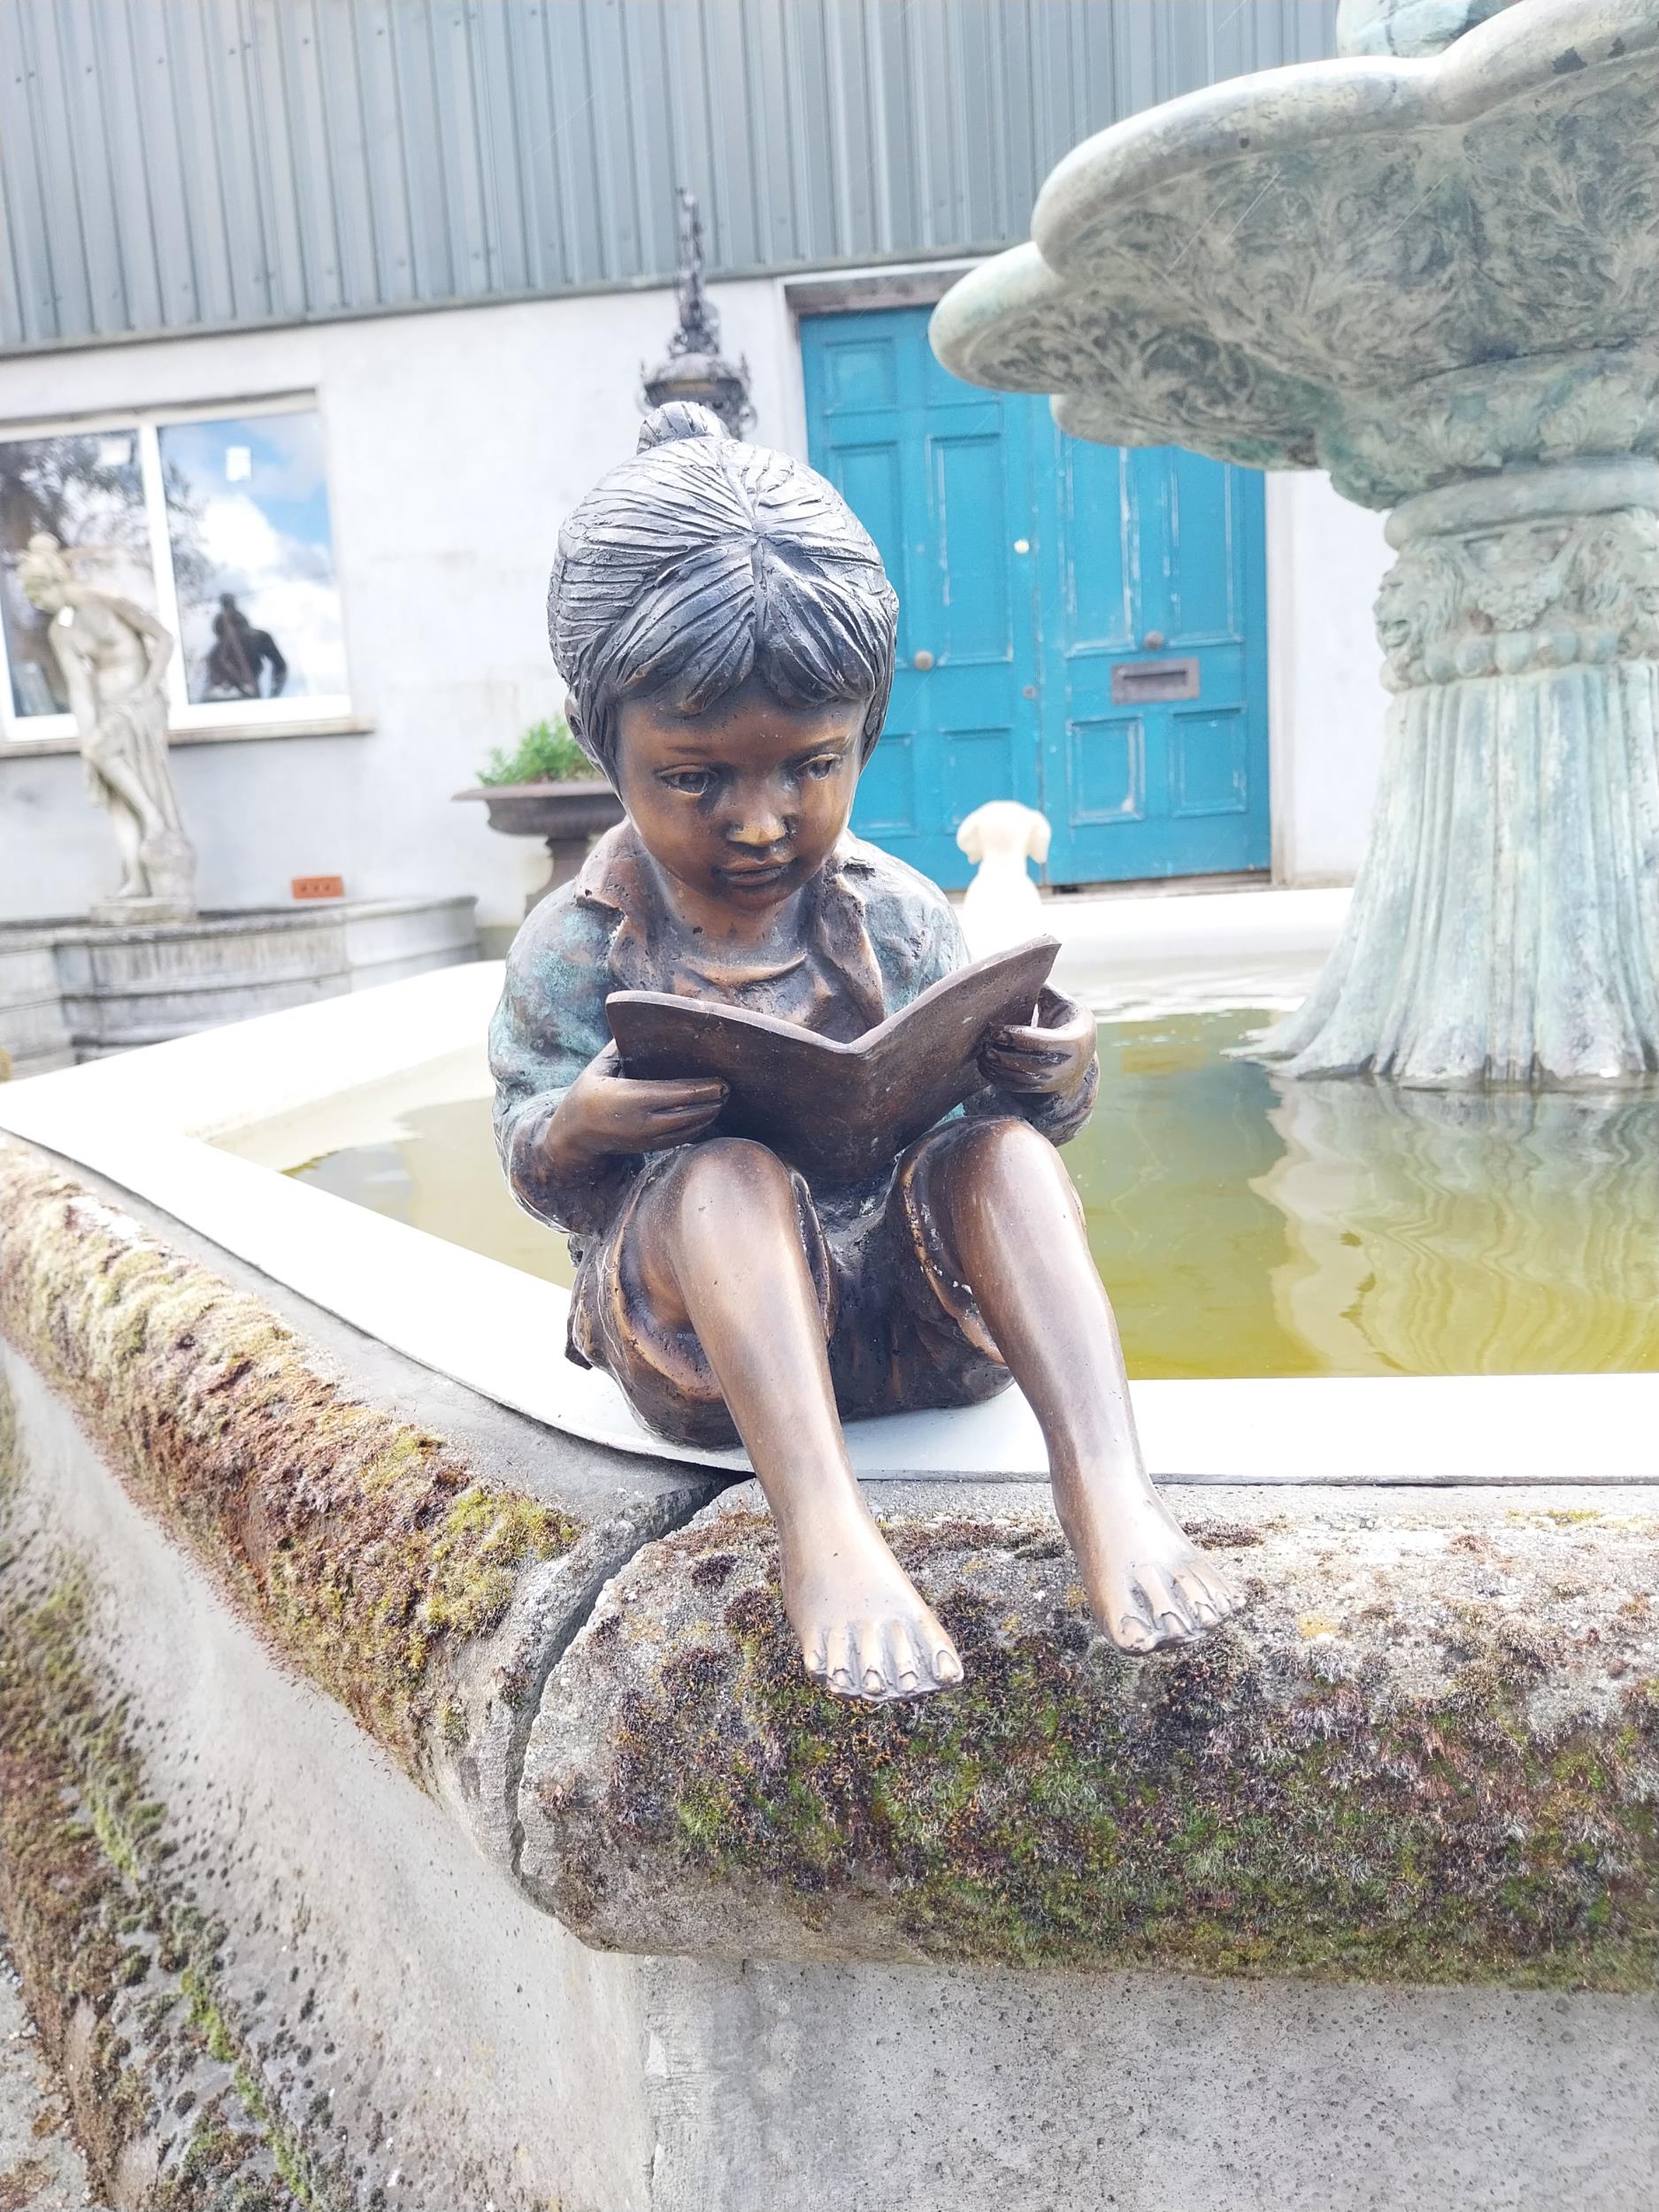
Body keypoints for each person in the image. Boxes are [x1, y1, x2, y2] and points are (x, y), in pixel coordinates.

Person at [491, 404, 1241, 1703]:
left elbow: (968, 1101)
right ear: (601, 737)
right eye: (695, 777)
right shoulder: (578, 940)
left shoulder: (894, 907)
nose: (760, 819)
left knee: (999, 1156)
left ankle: (1112, 1491)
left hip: (906, 1306)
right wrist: (588, 1124)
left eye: (810, 766)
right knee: (724, 1177)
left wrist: (1045, 1079)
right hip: (709, 1343)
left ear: (868, 737)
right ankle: (827, 1537)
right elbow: (530, 1150)